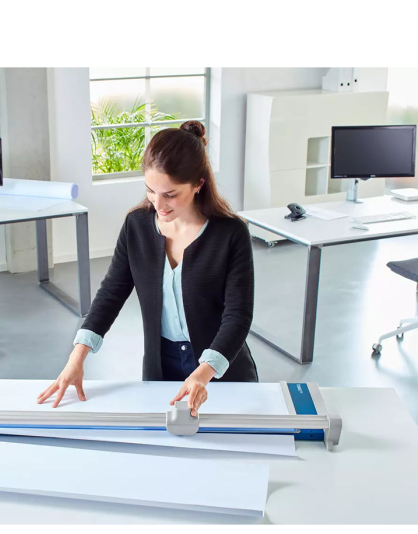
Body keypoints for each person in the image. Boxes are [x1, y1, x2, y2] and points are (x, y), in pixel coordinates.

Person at [37, 120, 257, 413]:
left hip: (220, 370)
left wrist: (204, 373)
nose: (158, 204)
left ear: (198, 185)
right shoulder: (137, 226)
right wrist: (76, 357)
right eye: (151, 191)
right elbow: (111, 293)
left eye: (170, 194)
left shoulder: (231, 234)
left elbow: (238, 316)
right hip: (160, 368)